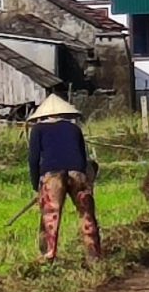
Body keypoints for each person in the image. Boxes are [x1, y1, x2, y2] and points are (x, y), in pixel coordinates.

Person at [26, 94, 101, 262]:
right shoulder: (74, 129)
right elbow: (82, 157)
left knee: (50, 215)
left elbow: (33, 159)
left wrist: (36, 183)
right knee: (86, 214)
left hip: (52, 175)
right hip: (77, 173)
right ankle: (94, 255)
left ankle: (47, 256)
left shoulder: (38, 129)